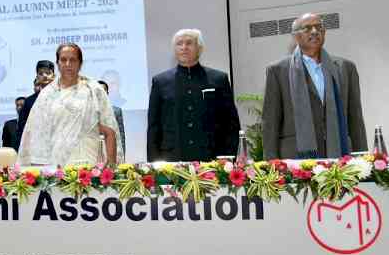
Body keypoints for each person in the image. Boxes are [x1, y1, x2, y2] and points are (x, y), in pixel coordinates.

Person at [262, 13, 367, 159]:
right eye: (307, 28)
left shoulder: (345, 68)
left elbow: (356, 119)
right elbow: (270, 124)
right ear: (296, 36)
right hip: (296, 158)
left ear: (324, 33)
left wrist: (362, 157)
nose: (314, 31)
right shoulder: (278, 70)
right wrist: (271, 164)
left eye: (319, 27)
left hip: (340, 155)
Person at [18, 43, 122, 166]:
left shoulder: (94, 90)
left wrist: (111, 169)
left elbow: (109, 131)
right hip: (56, 166)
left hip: (89, 165)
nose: (68, 64)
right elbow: (37, 135)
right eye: (63, 60)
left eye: (72, 60)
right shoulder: (47, 95)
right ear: (57, 63)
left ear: (80, 63)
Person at [147, 29, 240, 162]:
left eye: (189, 43)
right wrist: (154, 165)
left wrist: (227, 158)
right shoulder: (160, 81)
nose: (184, 47)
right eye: (179, 44)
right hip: (172, 160)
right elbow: (154, 127)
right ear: (175, 49)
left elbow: (231, 124)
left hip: (211, 159)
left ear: (200, 48)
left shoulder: (218, 79)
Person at [16, 60, 55, 145]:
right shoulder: (29, 102)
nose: (45, 76)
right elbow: (22, 129)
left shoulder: (62, 98)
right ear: (37, 77)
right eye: (41, 73)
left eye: (48, 73)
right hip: (36, 147)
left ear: (54, 76)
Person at [98, 80, 126, 157]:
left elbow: (121, 135)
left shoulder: (116, 111)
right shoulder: (88, 111)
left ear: (107, 93)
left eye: (104, 91)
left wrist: (123, 153)